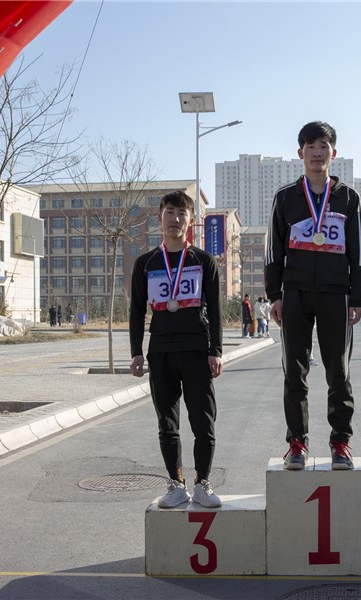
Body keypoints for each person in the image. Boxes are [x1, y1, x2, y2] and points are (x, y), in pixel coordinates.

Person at [265, 121, 361, 471]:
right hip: (294, 293)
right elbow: (273, 251)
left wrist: (357, 297)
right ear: (301, 153)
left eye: (324, 146)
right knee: (294, 372)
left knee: (338, 372)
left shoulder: (349, 198)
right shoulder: (285, 198)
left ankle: (340, 442)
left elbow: (359, 252)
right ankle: (297, 443)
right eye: (311, 146)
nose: (317, 153)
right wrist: (275, 295)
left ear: (333, 153)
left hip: (336, 294)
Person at [129, 191, 224, 509]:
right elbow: (136, 309)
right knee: (167, 424)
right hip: (161, 353)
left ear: (191, 220)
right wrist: (136, 351)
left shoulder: (204, 261)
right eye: (169, 212)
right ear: (160, 218)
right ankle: (176, 484)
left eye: (182, 213)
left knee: (203, 423)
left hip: (196, 350)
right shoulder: (146, 263)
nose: (175, 218)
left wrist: (216, 350)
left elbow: (215, 308)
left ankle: (203, 483)